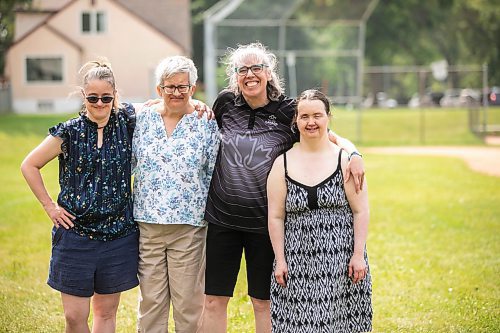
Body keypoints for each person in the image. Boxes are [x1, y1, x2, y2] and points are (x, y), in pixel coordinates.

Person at [202, 42, 365, 333]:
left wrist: (354, 154)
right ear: (235, 76)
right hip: (222, 220)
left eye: (256, 68)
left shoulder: (288, 110)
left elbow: (330, 135)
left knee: (262, 301)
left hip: (264, 223)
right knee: (214, 301)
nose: (250, 75)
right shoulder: (225, 103)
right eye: (242, 70)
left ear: (268, 72)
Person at [20, 60, 139, 333]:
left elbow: (162, 105)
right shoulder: (69, 132)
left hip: (118, 234)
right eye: (93, 97)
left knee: (106, 314)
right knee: (75, 317)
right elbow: (29, 164)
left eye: (106, 98)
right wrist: (50, 207)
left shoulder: (127, 122)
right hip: (75, 235)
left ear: (115, 96)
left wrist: (198, 106)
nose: (100, 103)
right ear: (83, 96)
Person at [267, 89, 372, 332]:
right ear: (295, 120)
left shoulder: (346, 162)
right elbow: (275, 216)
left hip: (340, 259)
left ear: (328, 118)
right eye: (304, 117)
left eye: (317, 115)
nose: (311, 122)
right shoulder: (281, 163)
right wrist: (280, 260)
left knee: (342, 323)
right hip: (297, 261)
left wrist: (358, 255)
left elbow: (361, 211)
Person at [133, 56, 220, 333]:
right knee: (151, 302)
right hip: (148, 224)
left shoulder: (205, 122)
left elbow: (213, 171)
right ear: (159, 89)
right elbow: (104, 106)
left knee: (188, 304)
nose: (176, 93)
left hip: (189, 226)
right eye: (169, 87)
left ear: (193, 88)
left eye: (183, 86)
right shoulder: (142, 118)